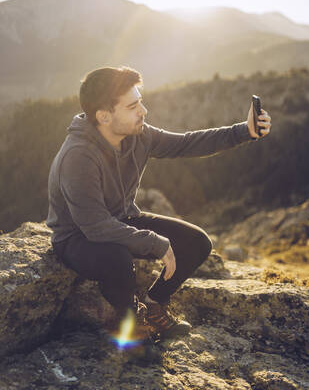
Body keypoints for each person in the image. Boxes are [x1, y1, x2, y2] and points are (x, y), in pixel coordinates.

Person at [46, 66, 271, 341]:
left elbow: (187, 144)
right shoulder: (78, 156)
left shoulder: (138, 135)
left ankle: (153, 305)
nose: (143, 111)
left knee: (197, 242)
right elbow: (95, 227)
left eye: (140, 101)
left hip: (120, 219)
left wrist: (244, 131)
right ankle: (129, 323)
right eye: (132, 106)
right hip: (77, 237)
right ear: (104, 117)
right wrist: (154, 242)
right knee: (117, 258)